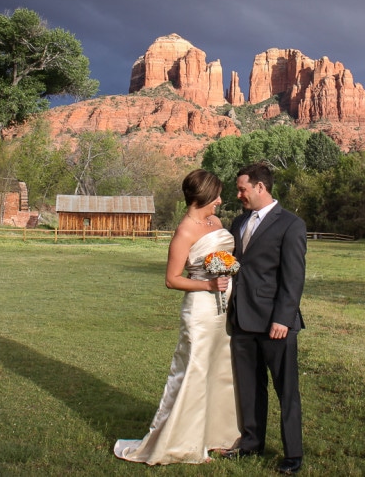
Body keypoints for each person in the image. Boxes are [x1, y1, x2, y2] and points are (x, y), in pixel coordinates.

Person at [114, 169, 240, 465]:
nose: (221, 200)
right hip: (200, 309)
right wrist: (208, 284)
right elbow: (171, 279)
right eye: (217, 194)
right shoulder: (185, 231)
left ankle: (218, 436)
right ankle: (185, 442)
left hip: (225, 308)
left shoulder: (216, 222)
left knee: (221, 368)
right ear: (205, 196)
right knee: (194, 371)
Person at [220, 162, 307, 474]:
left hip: (276, 323)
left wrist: (283, 319)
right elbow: (234, 264)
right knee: (249, 387)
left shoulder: (291, 224)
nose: (239, 194)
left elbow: (293, 277)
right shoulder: (238, 222)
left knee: (286, 390)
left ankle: (292, 456)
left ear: (260, 187)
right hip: (242, 319)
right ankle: (251, 443)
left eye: (242, 188)